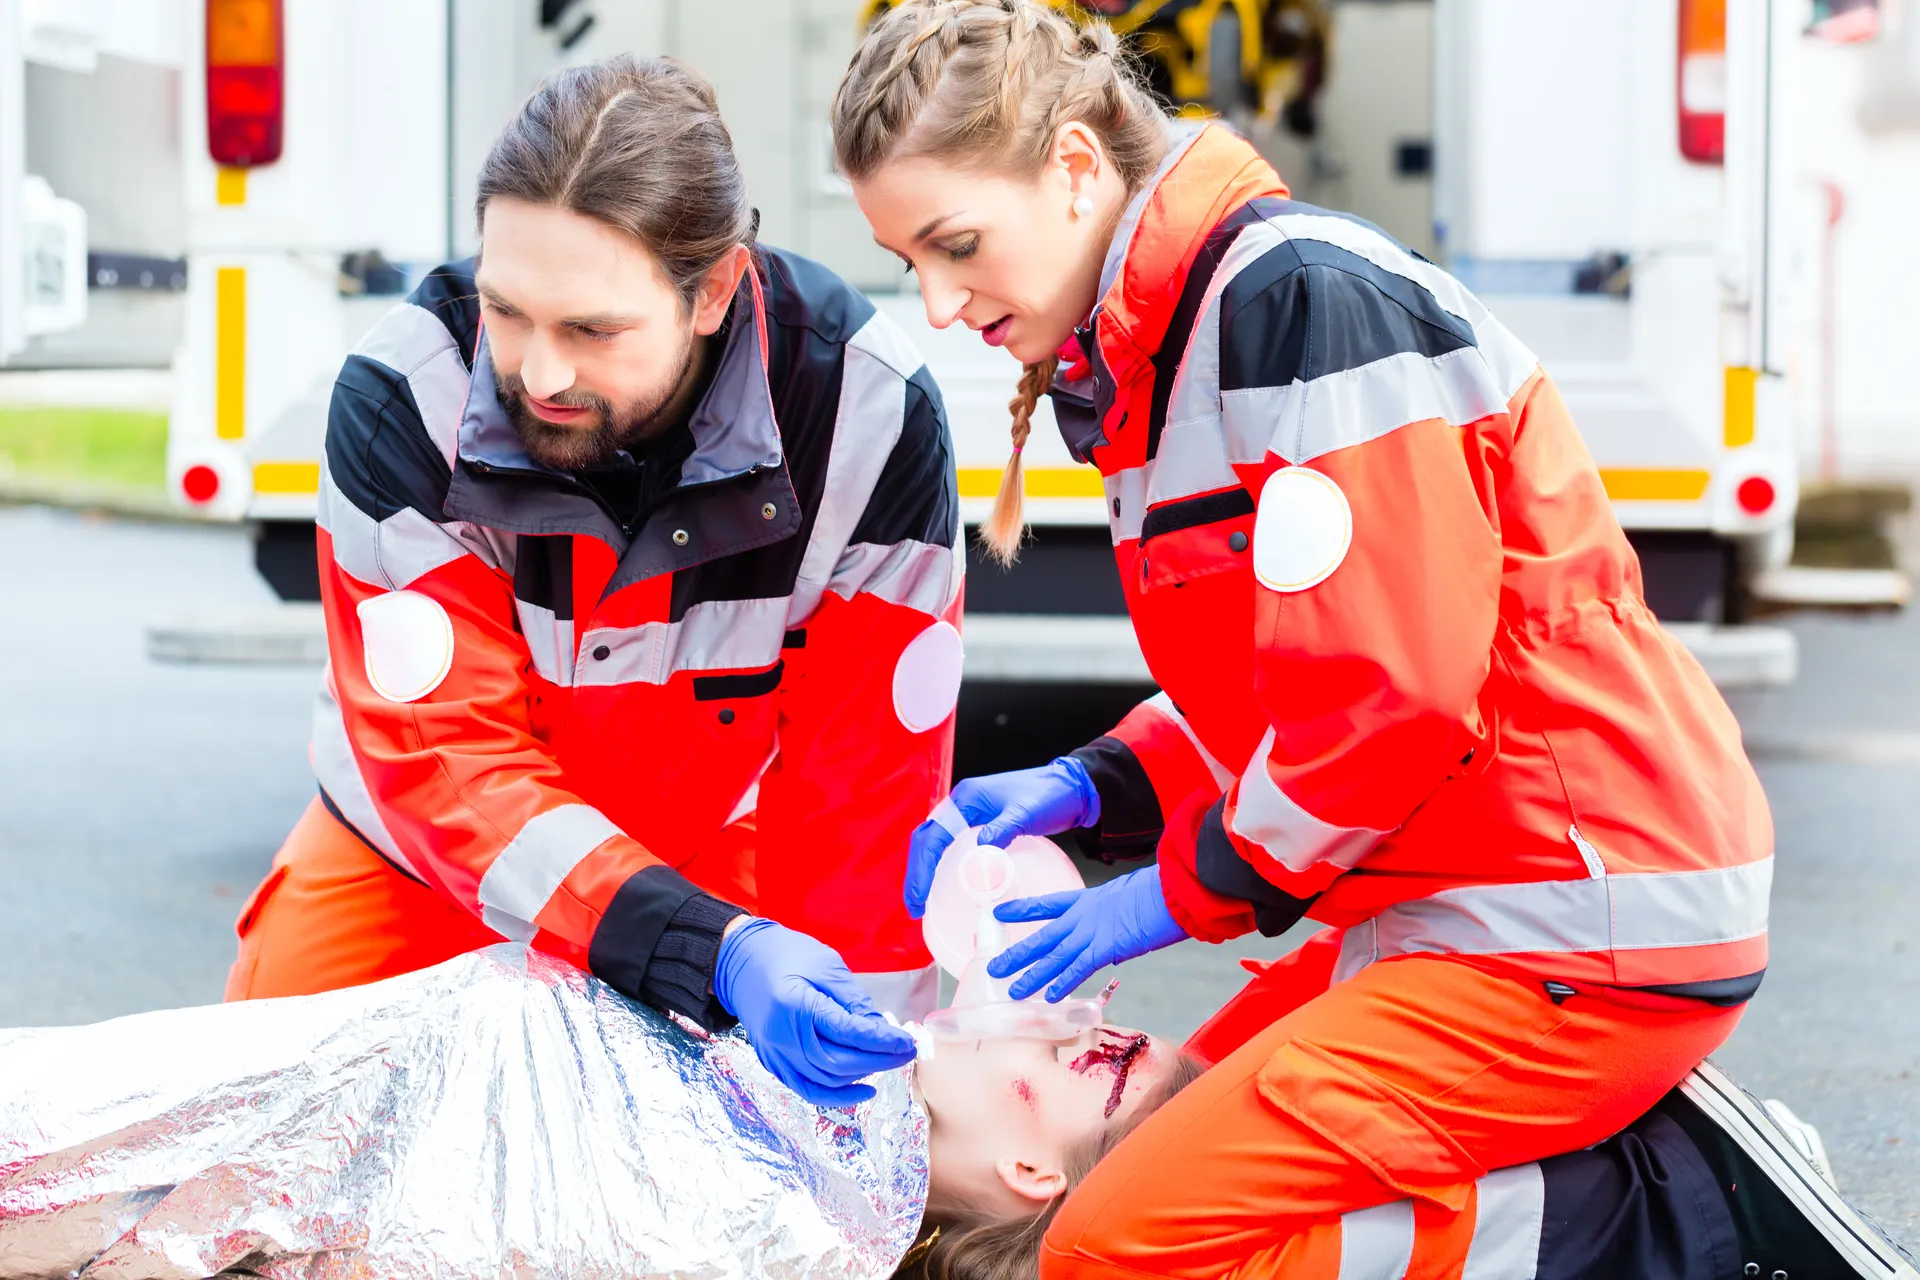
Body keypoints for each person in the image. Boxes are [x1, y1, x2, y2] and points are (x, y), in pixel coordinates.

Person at [832, 0, 1777, 1267]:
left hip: (1569, 915)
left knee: (1104, 1243)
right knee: (1148, 1136)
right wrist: (1097, 784)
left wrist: (1170, 893)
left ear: (1073, 167)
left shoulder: (1290, 307)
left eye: (956, 245)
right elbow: (1285, 677)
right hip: (1489, 898)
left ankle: (1652, 1216)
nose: (940, 303)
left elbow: (1390, 701)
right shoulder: (1177, 345)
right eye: (909, 263)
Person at [223, 54, 965, 1106]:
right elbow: (449, 765)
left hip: (699, 862)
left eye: (591, 329)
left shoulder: (864, 416)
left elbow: (864, 805)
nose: (538, 373)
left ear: (714, 291)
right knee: (269, 1130)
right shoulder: (406, 401)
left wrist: (874, 1095)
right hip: (415, 854)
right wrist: (705, 949)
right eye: (506, 310)